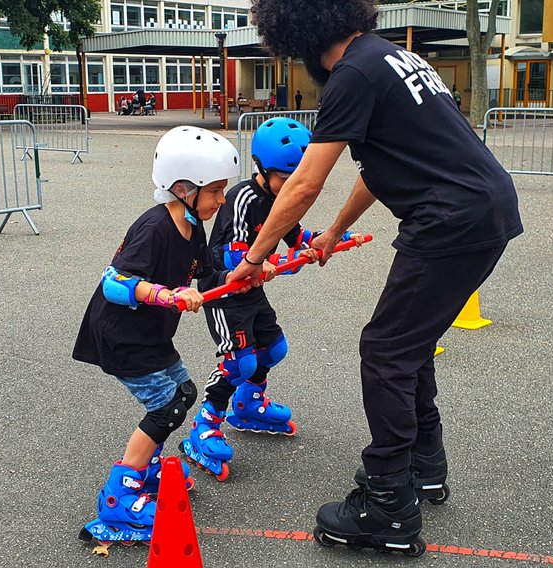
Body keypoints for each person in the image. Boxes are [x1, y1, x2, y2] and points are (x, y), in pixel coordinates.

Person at [234, 0, 523, 555]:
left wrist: (253, 258)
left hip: (449, 220)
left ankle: (388, 504)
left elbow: (303, 183)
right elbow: (378, 167)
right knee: (408, 345)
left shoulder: (352, 74)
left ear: (297, 33)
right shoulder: (392, 58)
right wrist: (332, 232)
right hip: (485, 210)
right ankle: (423, 464)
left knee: (385, 351)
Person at [74, 126, 260, 545]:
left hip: (151, 334)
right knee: (166, 407)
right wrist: (165, 295)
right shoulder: (155, 228)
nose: (222, 200)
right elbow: (114, 282)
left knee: (184, 393)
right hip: (122, 335)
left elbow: (208, 277)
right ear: (182, 188)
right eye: (215, 191)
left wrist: (241, 276)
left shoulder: (193, 227)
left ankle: (146, 469)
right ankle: (119, 498)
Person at [180, 117, 364, 482]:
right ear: (262, 169)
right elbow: (231, 253)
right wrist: (264, 262)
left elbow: (298, 236)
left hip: (253, 290)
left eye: (297, 178)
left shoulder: (285, 197)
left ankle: (248, 404)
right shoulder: (242, 198)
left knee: (274, 349)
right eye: (284, 176)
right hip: (224, 291)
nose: (291, 184)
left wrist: (331, 238)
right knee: (240, 363)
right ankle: (205, 425)